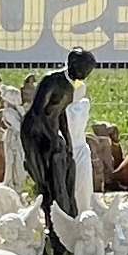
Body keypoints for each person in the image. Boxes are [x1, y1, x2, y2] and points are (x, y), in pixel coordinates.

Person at [22, 48, 98, 236]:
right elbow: (38, 112)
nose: (85, 74)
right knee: (44, 180)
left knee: (62, 174)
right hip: (34, 133)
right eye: (84, 69)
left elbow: (61, 114)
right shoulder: (52, 80)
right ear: (73, 64)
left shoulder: (71, 87)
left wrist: (66, 139)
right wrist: (53, 136)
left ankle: (64, 220)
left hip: (51, 134)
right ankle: (50, 222)